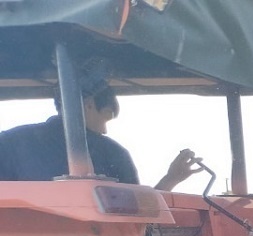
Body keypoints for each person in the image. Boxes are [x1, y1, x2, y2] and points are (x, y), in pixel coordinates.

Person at [0, 65, 202, 190]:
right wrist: (171, 179)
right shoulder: (112, 154)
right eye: (106, 118)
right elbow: (140, 219)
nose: (105, 131)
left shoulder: (8, 142)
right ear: (88, 105)